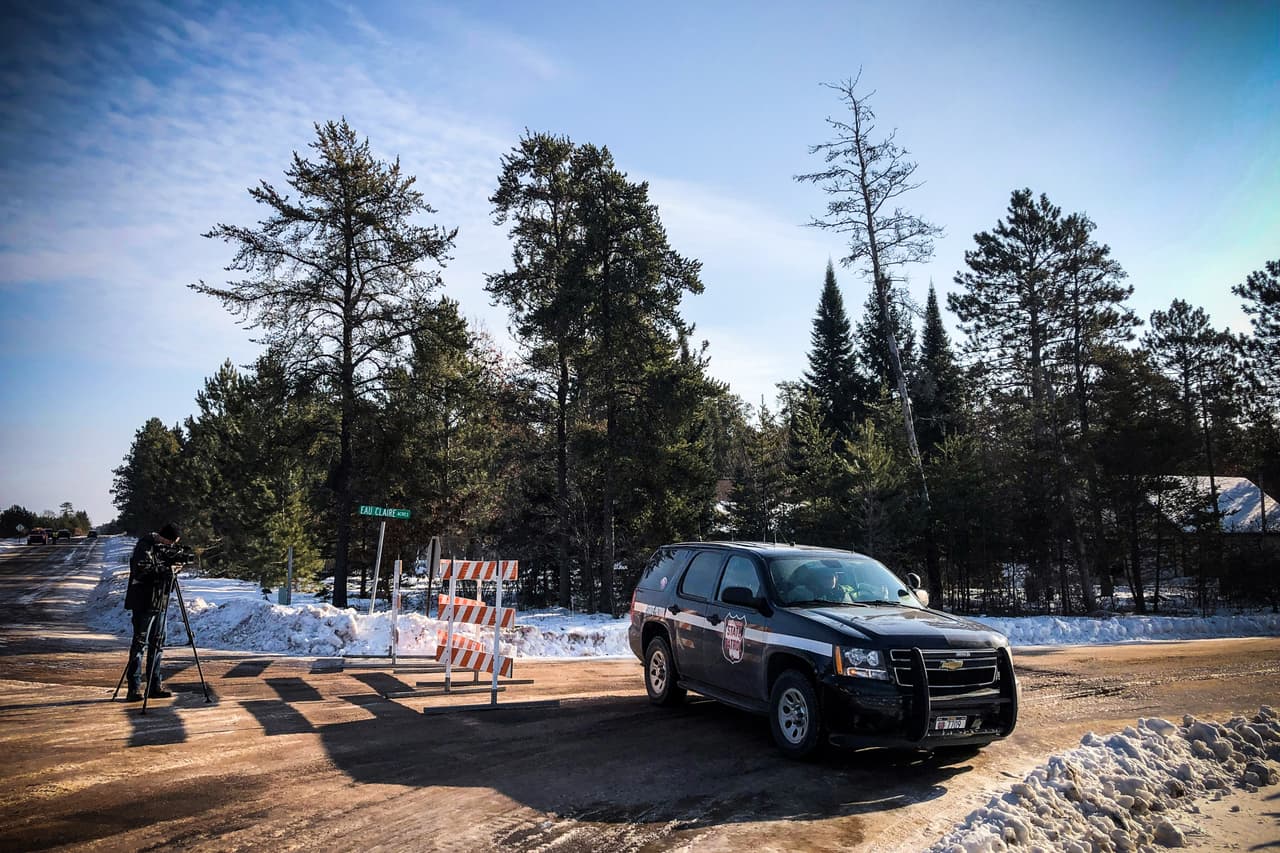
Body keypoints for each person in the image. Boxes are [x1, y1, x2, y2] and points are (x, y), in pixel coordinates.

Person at [123, 522, 181, 701]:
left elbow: (164, 573)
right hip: (143, 602)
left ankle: (154, 686)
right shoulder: (145, 546)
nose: (172, 545)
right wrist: (164, 570)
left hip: (160, 601)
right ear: (164, 537)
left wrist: (173, 570)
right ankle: (134, 688)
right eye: (171, 541)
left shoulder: (163, 549)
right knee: (140, 644)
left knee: (158, 644)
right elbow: (141, 571)